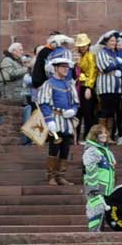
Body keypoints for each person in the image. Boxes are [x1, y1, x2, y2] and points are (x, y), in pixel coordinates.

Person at [37, 56, 79, 185]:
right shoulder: (48, 84)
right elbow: (44, 103)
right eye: (63, 67)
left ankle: (61, 176)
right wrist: (50, 120)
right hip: (55, 119)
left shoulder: (69, 84)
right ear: (56, 68)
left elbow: (76, 103)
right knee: (54, 148)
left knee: (65, 148)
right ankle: (51, 176)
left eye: (67, 67)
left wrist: (73, 111)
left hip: (67, 121)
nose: (66, 69)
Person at [82, 125, 117, 232]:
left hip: (105, 187)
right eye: (101, 133)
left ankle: (98, 239)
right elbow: (90, 171)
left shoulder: (103, 149)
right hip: (96, 187)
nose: (104, 135)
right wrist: (93, 188)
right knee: (95, 213)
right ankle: (93, 240)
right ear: (95, 135)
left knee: (101, 214)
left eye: (105, 132)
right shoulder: (92, 150)